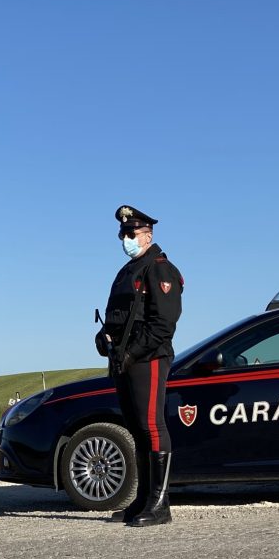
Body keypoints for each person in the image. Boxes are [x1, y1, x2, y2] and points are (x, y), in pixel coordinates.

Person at [95, 205, 183, 527]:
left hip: (148, 358)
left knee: (152, 426)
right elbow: (117, 317)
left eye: (131, 233)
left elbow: (163, 324)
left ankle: (160, 504)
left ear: (148, 235)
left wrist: (133, 352)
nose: (125, 238)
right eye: (122, 234)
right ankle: (143, 499)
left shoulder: (160, 269)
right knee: (136, 429)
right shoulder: (127, 271)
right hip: (123, 360)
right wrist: (104, 338)